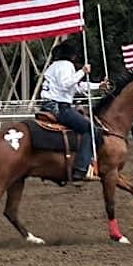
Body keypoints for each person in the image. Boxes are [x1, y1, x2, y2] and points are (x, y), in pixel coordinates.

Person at [39, 41, 109, 182]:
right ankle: (82, 169)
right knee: (91, 129)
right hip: (60, 107)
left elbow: (75, 86)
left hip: (48, 104)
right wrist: (82, 72)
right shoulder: (66, 65)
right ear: (72, 55)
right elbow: (67, 84)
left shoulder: (53, 67)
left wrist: (98, 85)